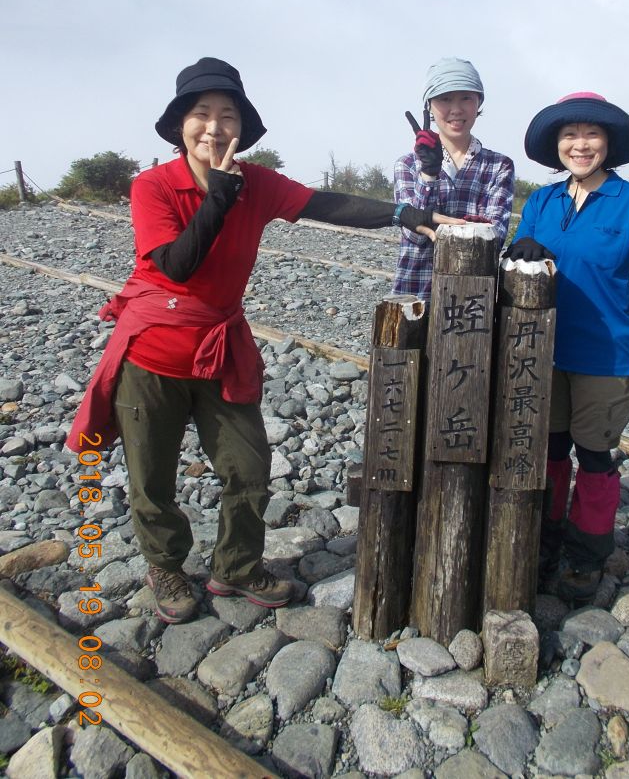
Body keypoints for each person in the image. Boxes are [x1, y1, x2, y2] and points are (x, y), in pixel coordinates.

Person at [66, 57, 461, 624]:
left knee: (248, 465)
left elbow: (325, 202)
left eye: (227, 116)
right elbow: (177, 266)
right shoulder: (153, 187)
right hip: (150, 355)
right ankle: (166, 565)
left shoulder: (257, 183)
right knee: (152, 476)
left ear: (241, 129)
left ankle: (236, 564)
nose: (214, 127)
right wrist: (220, 197)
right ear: (181, 125)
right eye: (201, 114)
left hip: (220, 347)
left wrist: (407, 212)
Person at [504, 91, 629, 604]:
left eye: (591, 134)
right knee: (548, 451)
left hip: (604, 354)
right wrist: (518, 251)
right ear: (557, 145)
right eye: (570, 134)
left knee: (595, 456)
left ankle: (585, 556)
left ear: (608, 144)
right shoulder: (543, 201)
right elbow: (517, 255)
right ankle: (543, 540)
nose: (580, 143)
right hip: (541, 349)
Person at [393, 57, 514, 300]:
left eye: (466, 98)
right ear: (429, 106)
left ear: (479, 101)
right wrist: (428, 173)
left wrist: (443, 228)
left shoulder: (499, 166)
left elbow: (493, 239)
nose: (456, 109)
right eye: (445, 99)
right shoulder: (407, 165)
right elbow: (415, 232)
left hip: (473, 299)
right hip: (414, 295)